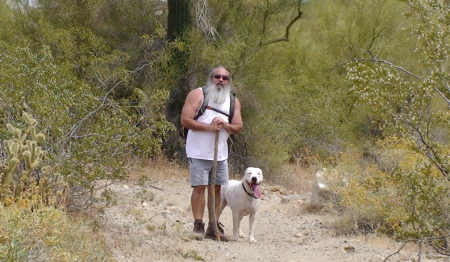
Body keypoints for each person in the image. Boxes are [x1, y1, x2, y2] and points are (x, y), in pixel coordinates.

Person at [181, 66, 243, 241]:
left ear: (229, 81)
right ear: (210, 78)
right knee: (200, 188)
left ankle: (213, 226)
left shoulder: (232, 101)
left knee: (216, 190)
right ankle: (198, 224)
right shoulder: (198, 94)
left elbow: (238, 127)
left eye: (225, 78)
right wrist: (209, 127)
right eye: (218, 76)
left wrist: (225, 125)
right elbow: (185, 120)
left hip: (220, 154)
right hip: (198, 151)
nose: (221, 80)